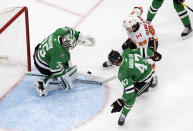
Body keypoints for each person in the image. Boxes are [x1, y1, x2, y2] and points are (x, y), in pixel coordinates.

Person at [33, 26, 95, 96]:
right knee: (70, 75)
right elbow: (55, 69)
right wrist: (67, 82)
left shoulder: (60, 32)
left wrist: (83, 39)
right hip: (42, 66)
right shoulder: (60, 53)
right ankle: (43, 85)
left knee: (65, 63)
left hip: (37, 53)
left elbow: (72, 32)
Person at [108, 48, 162, 126]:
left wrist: (122, 101)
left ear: (114, 63)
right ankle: (153, 74)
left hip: (145, 80)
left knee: (132, 95)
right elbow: (143, 50)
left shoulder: (122, 73)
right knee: (149, 62)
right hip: (147, 68)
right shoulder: (126, 52)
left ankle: (124, 114)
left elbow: (130, 92)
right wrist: (153, 54)